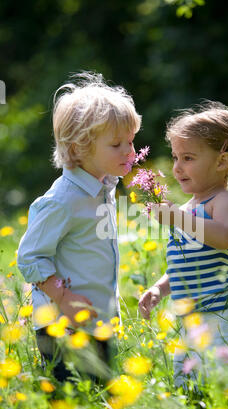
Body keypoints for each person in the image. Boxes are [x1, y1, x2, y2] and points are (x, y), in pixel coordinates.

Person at [17, 72, 141, 382]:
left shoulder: (104, 187)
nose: (129, 151)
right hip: (63, 324)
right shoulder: (62, 200)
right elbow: (30, 257)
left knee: (100, 403)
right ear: (79, 147)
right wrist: (63, 298)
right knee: (71, 405)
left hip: (95, 320)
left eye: (130, 140)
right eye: (116, 144)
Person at [138, 101, 228, 388]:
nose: (177, 167)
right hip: (190, 319)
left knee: (224, 386)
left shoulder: (222, 201)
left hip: (220, 318)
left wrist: (177, 217)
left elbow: (224, 236)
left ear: (221, 162)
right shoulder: (188, 208)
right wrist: (159, 288)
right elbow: (182, 262)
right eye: (175, 157)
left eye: (188, 158)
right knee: (187, 387)